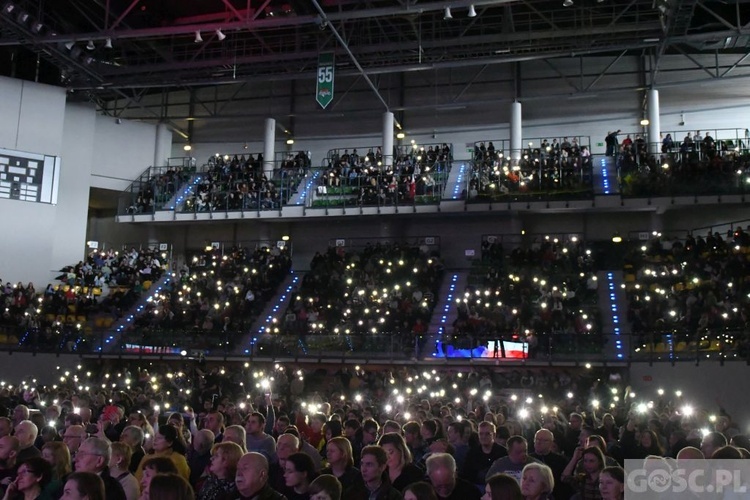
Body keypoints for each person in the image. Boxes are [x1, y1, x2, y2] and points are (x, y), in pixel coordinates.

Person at [461, 422, 506, 488]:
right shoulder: (472, 453)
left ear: (494, 435)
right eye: (481, 434)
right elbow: (467, 474)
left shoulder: (502, 452)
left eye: (487, 434)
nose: (483, 437)